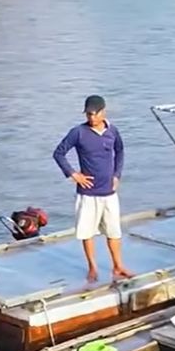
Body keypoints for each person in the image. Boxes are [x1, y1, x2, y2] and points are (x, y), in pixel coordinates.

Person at [53, 94, 132, 284]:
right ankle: (92, 267)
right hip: (88, 194)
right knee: (87, 232)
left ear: (103, 112)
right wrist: (73, 174)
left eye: (94, 114)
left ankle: (118, 265)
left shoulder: (112, 131)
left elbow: (120, 151)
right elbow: (59, 153)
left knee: (114, 231)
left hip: (109, 192)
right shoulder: (78, 132)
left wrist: (117, 175)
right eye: (88, 114)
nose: (91, 118)